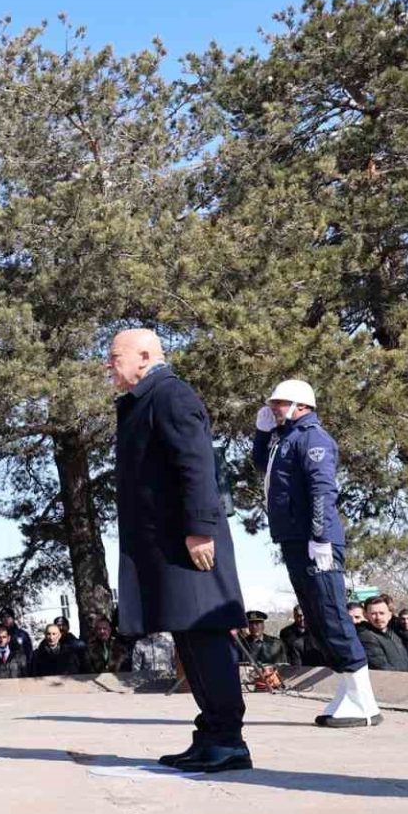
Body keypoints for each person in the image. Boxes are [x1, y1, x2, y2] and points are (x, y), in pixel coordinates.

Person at [110, 329, 249, 773]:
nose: (108, 364)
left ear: (144, 356)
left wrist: (200, 528)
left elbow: (196, 464)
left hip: (190, 542)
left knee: (206, 635)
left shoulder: (171, 394)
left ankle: (229, 740)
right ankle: (210, 734)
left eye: (115, 356)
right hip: (168, 545)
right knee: (188, 637)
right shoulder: (144, 401)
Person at [253, 378, 379, 728]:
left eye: (280, 403)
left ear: (302, 406)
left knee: (331, 613)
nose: (274, 409)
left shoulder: (313, 438)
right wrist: (262, 434)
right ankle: (348, 690)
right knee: (317, 617)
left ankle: (364, 701)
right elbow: (262, 466)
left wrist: (321, 536)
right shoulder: (285, 438)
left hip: (314, 540)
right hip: (295, 539)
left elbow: (322, 490)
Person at [357, 595, 408, 673]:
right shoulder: (366, 637)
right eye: (373, 614)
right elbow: (382, 667)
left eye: (382, 613)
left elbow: (407, 660)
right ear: (366, 615)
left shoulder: (393, 634)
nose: (378, 617)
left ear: (389, 615)